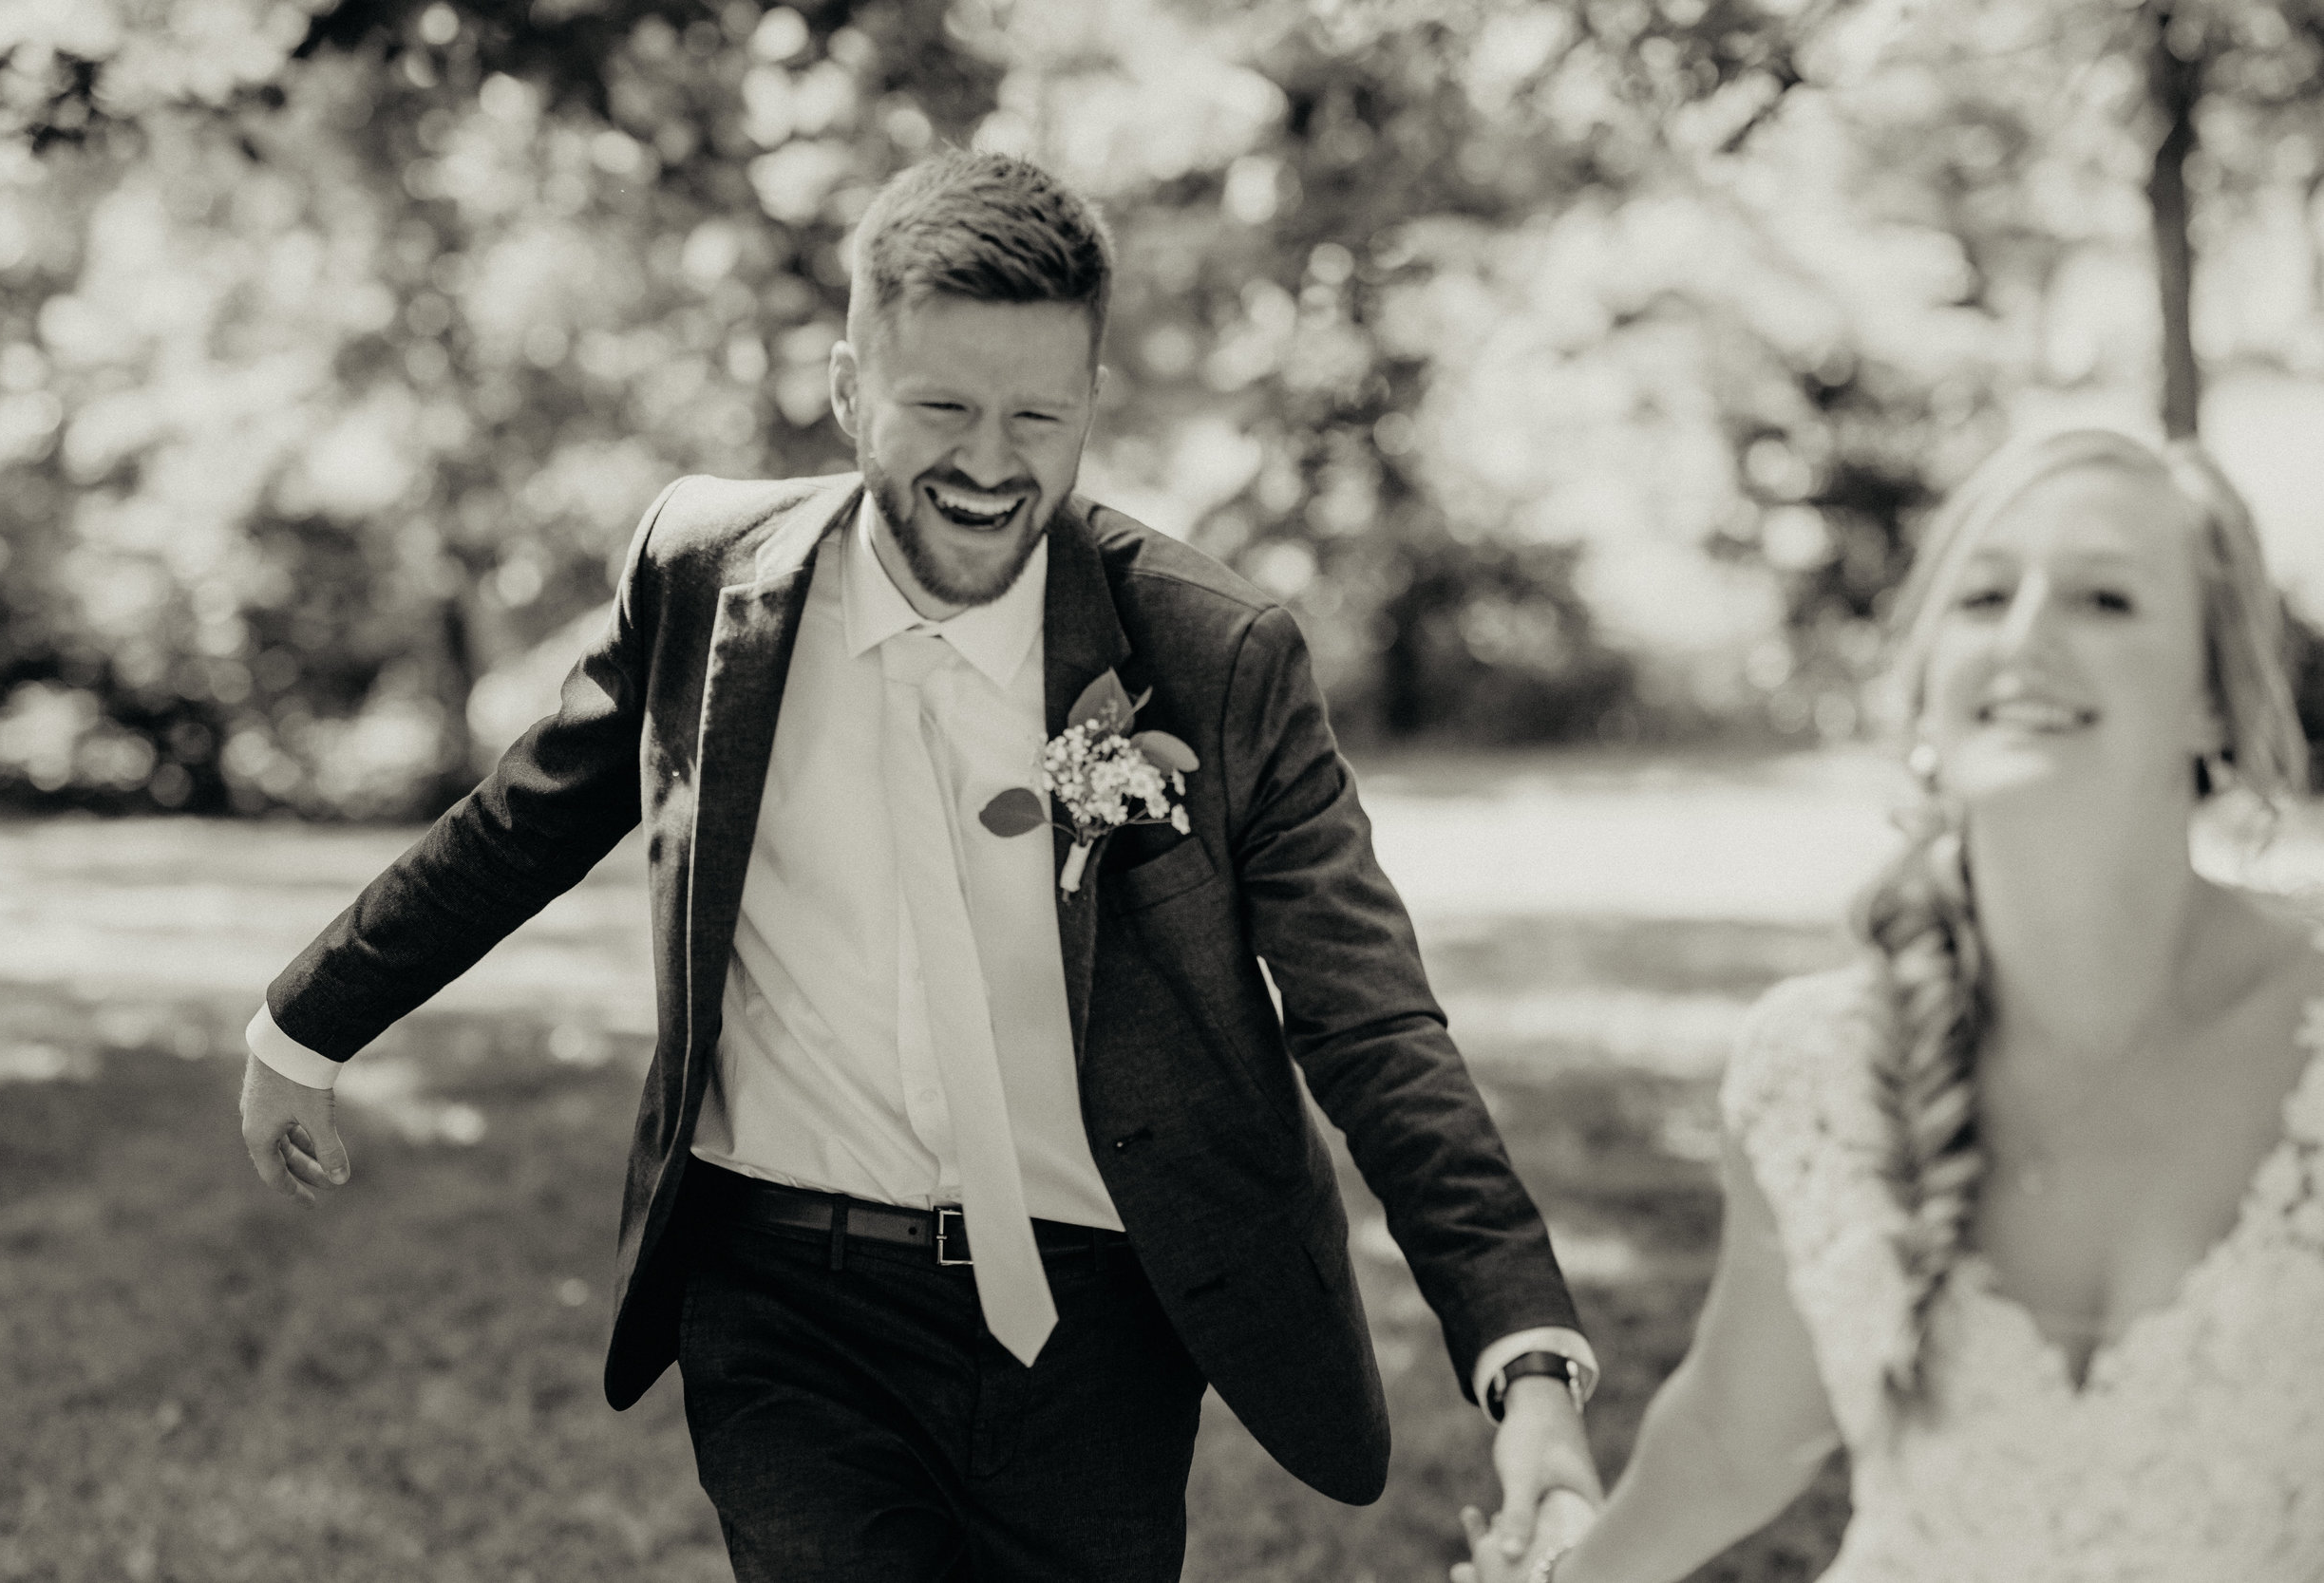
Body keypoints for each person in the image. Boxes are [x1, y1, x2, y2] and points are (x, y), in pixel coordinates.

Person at [235, 149, 1604, 1581]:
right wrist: (305, 1022)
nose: (992, 462)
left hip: (1100, 1317)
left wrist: (1527, 1364)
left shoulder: (1216, 653)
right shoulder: (705, 575)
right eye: (942, 405)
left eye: (1039, 415)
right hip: (785, 1296)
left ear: (1091, 409)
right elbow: (525, 819)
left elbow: (1372, 1016)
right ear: (846, 388)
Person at [1459, 428, 2324, 1583]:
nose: (2025, 637)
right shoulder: (1815, 1064)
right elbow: (1734, 1430)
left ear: (2214, 696)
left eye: (2105, 598)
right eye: (1982, 596)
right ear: (1922, 690)